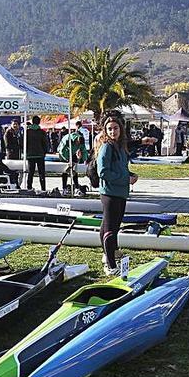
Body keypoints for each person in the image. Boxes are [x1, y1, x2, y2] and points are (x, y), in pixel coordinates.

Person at [94, 113, 139, 274]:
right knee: (110, 228)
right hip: (110, 192)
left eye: (115, 128)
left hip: (120, 192)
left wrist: (130, 175)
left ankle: (110, 252)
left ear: (120, 129)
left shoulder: (120, 147)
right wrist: (125, 179)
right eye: (110, 129)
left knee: (112, 225)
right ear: (105, 131)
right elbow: (103, 172)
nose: (113, 132)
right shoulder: (106, 146)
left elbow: (120, 168)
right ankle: (110, 265)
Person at [58, 120, 89, 194]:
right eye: (78, 144)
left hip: (72, 153)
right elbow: (61, 150)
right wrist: (67, 160)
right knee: (65, 171)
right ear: (76, 140)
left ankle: (77, 187)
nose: (79, 145)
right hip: (63, 154)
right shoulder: (67, 139)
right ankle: (64, 188)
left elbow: (84, 151)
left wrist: (85, 160)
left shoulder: (81, 141)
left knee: (74, 170)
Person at [24, 115, 52, 191]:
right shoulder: (42, 132)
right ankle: (43, 189)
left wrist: (25, 152)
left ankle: (29, 188)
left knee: (31, 172)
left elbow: (23, 143)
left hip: (30, 155)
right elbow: (45, 143)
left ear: (32, 122)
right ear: (39, 122)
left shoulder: (27, 132)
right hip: (40, 155)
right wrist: (45, 152)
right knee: (41, 173)